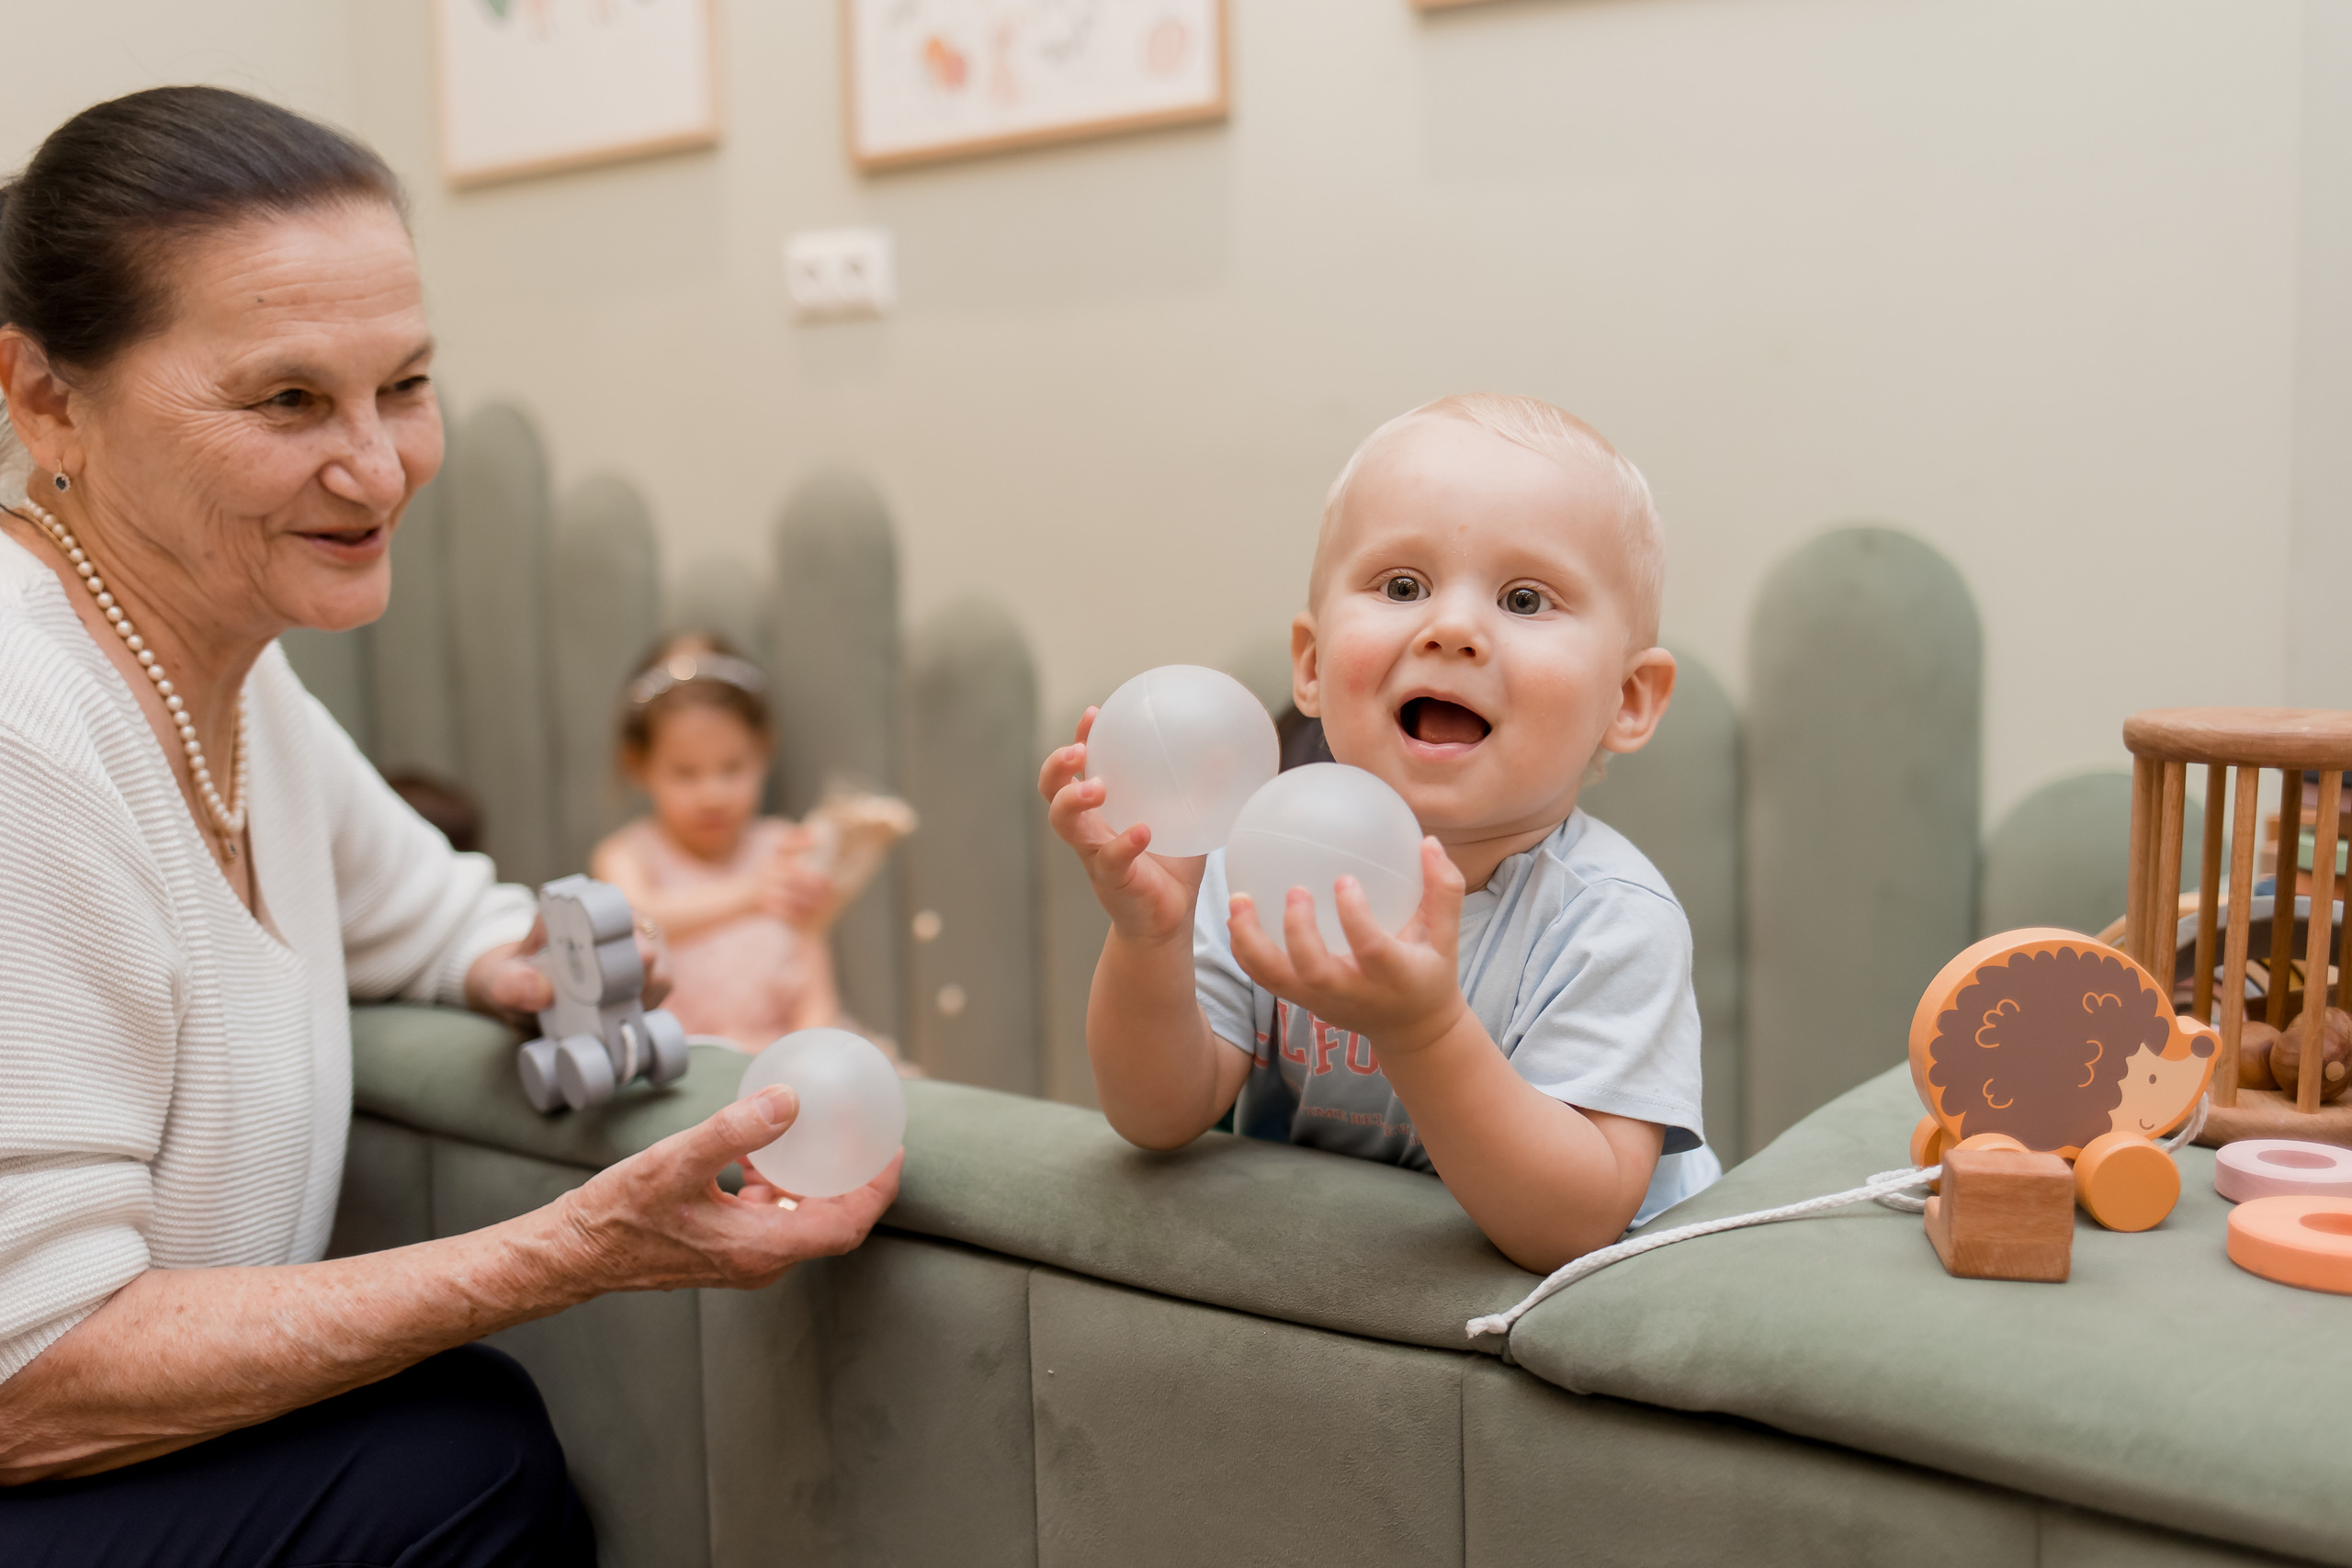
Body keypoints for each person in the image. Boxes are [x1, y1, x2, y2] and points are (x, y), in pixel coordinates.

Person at [0, 87, 896, 1562]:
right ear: (47, 403)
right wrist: (574, 1249)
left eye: (404, 385)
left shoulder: (229, 667)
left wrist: (533, 960)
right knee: (463, 1455)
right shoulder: (31, 720)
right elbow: (31, 1368)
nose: (379, 467)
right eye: (287, 400)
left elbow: (428, 907)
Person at [1040, 394, 1717, 1275]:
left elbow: (1573, 1224)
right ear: (1314, 666)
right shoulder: (1257, 864)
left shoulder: (1611, 921)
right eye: (1402, 586)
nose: (1453, 629)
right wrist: (1148, 937)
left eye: (1524, 597)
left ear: (1627, 701)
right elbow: (1156, 1114)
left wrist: (1424, 1031)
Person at [591, 633, 914, 1054]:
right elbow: (633, 920)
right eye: (685, 773)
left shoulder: (784, 846)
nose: (713, 794)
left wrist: (803, 1060)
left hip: (786, 1060)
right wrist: (750, 894)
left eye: (733, 768)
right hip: (682, 1069)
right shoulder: (626, 855)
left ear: (763, 752)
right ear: (640, 765)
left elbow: (817, 998)